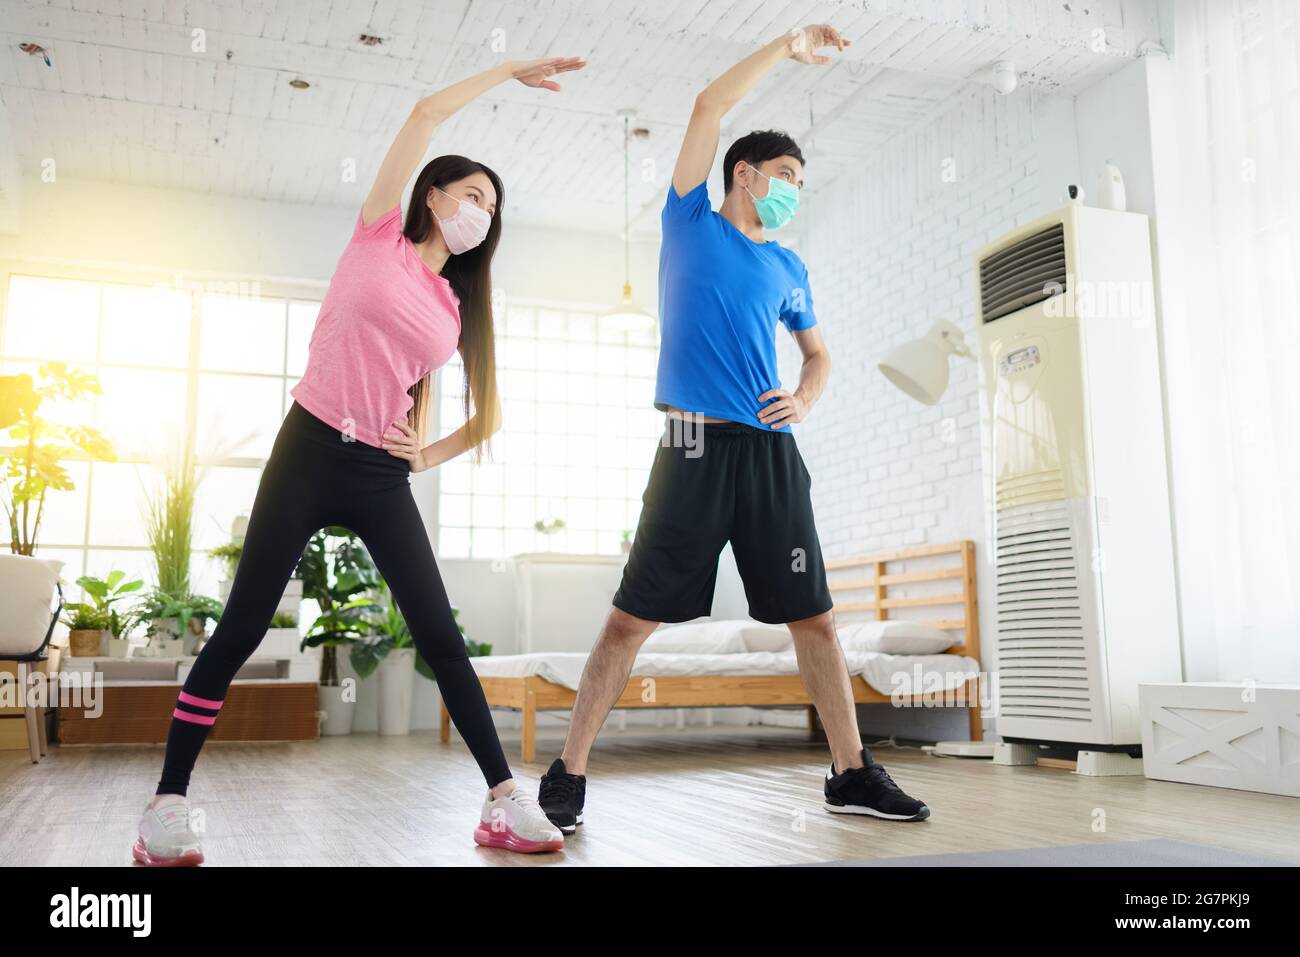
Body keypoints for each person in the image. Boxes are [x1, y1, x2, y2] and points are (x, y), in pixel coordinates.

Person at [133, 56, 587, 866]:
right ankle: (167, 805)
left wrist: (423, 453)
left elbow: (491, 416)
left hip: (379, 473)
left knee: (440, 635)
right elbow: (421, 111)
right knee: (241, 625)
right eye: (473, 195)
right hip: (307, 445)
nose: (483, 212)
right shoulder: (379, 231)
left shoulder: (455, 308)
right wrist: (510, 70)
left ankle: (503, 797)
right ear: (433, 196)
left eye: (494, 205)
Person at [537, 25, 930, 833]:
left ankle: (850, 771)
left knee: (814, 616)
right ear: (743, 174)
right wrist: (787, 46)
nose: (793, 189)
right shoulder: (691, 224)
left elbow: (819, 356)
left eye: (800, 179)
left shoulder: (789, 265)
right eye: (785, 174)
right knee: (629, 619)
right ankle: (569, 770)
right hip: (689, 440)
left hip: (769, 450)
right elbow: (709, 102)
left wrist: (806, 396)